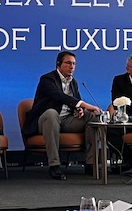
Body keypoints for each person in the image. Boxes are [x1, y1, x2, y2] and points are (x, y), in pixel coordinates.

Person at [22, 50, 101, 180]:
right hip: (45, 121)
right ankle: (54, 165)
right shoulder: (47, 79)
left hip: (66, 120)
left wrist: (79, 110)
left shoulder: (73, 82)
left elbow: (75, 101)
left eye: (74, 64)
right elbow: (59, 96)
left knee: (92, 116)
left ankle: (91, 164)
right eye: (68, 63)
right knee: (51, 113)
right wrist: (85, 105)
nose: (72, 66)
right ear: (58, 64)